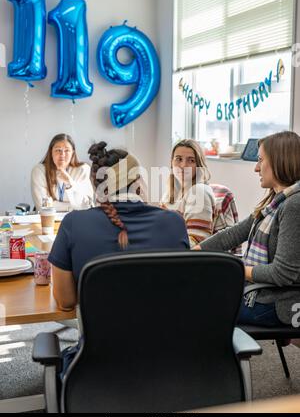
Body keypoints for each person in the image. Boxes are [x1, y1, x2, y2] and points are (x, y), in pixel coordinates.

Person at [48, 141, 189, 311]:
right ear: (138, 182)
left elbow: (66, 302)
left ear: (96, 185)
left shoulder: (73, 223)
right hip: (168, 335)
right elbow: (181, 289)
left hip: (102, 337)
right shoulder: (174, 222)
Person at [199, 131, 300, 327]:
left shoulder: (294, 206)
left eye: (261, 160)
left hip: (277, 303)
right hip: (263, 294)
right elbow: (235, 233)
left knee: (196, 302)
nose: (256, 168)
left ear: (279, 162)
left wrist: (233, 269)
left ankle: (216, 357)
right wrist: (193, 253)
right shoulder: (276, 201)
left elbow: (282, 274)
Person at [161, 139, 215, 248]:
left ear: (199, 165)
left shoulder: (199, 192)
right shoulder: (170, 193)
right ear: (172, 163)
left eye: (191, 160)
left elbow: (196, 243)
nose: (183, 165)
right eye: (178, 159)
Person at [31, 133, 94, 212]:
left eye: (67, 150)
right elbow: (42, 206)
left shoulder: (82, 170)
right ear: (51, 152)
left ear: (73, 153)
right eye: (58, 150)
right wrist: (72, 207)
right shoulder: (39, 171)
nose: (62, 154)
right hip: (48, 219)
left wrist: (69, 183)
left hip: (76, 219)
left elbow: (86, 205)